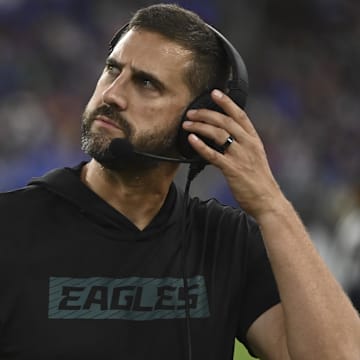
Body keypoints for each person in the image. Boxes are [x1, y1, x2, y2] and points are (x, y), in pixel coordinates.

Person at [0, 3, 359, 360]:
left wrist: (271, 205)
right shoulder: (11, 228)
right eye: (112, 70)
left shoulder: (226, 242)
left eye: (145, 83)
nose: (112, 95)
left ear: (200, 120)